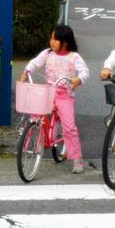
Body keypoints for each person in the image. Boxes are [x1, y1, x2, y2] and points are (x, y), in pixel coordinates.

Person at [20, 23, 89, 174]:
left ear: (66, 42)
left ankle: (77, 158)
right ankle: (36, 132)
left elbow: (84, 71)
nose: (52, 42)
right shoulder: (48, 53)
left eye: (56, 39)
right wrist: (27, 71)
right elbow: (35, 62)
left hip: (65, 95)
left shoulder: (73, 57)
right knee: (35, 113)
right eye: (51, 38)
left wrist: (78, 79)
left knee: (69, 127)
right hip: (49, 91)